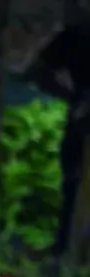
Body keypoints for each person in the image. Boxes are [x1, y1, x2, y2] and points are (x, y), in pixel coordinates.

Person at [25, 10, 90, 259]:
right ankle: (66, 253)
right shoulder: (80, 32)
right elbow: (38, 70)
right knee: (73, 189)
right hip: (81, 125)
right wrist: (74, 99)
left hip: (79, 118)